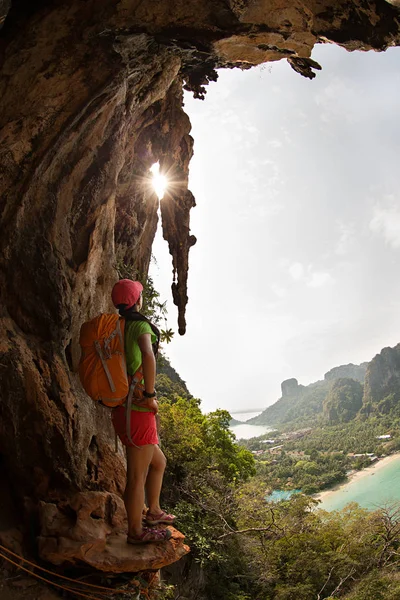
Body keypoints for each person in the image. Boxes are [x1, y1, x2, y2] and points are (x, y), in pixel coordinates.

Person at [111, 278, 175, 544]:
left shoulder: (116, 325)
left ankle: (154, 511)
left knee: (158, 462)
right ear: (136, 300)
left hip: (121, 409)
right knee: (136, 477)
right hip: (136, 408)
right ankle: (136, 533)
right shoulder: (138, 324)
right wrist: (150, 396)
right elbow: (148, 356)